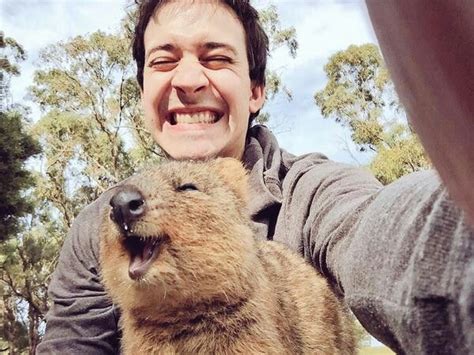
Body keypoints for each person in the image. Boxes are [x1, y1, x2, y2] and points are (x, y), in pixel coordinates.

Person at [37, 0, 474, 354]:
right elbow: (73, 342)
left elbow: (379, 233)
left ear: (255, 90)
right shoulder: (104, 219)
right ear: (143, 93)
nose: (187, 79)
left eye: (217, 57)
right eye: (163, 61)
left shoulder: (310, 190)